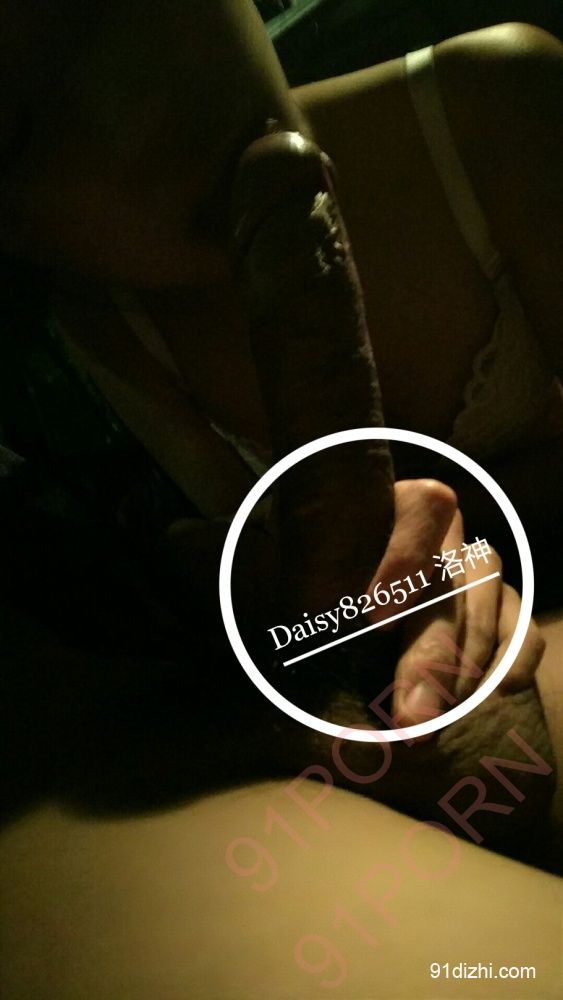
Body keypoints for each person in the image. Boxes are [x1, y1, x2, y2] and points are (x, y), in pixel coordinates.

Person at [0, 4, 561, 997]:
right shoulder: (77, 378)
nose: (143, 110)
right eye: (31, 119)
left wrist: (478, 539)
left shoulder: (497, 101)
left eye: (128, 11)